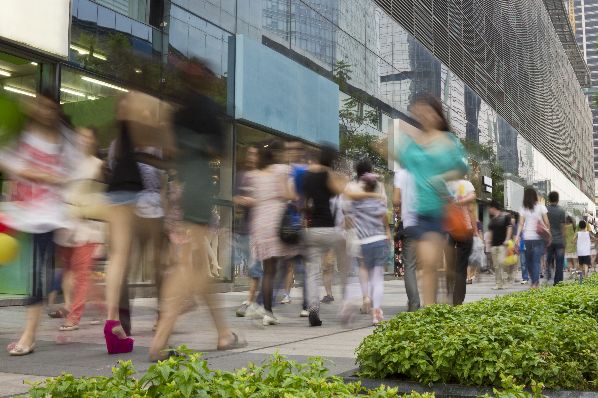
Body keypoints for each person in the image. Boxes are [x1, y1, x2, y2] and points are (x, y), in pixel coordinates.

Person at [149, 74, 244, 360]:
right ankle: (160, 340)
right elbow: (220, 152)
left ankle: (224, 334)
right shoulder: (207, 110)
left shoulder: (179, 114)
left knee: (200, 271)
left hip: (183, 188)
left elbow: (169, 152)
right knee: (189, 268)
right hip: (198, 191)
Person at [0, 93, 83, 355]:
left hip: (47, 217)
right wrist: (39, 174)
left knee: (36, 275)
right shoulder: (22, 135)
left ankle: (29, 335)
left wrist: (45, 176)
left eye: (51, 107)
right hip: (19, 215)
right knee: (30, 273)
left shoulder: (63, 142)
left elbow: (72, 173)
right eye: (41, 105)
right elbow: (7, 160)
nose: (46, 111)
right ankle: (30, 333)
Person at [396, 94, 468, 306]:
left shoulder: (448, 141)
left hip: (440, 210)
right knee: (428, 265)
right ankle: (430, 309)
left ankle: (437, 302)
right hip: (419, 212)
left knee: (432, 263)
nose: (424, 116)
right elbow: (402, 161)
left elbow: (462, 168)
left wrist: (442, 177)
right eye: (419, 112)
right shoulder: (415, 145)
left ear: (438, 115)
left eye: (428, 111)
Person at [54, 127, 106, 331]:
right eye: (80, 137)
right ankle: (102, 307)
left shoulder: (98, 165)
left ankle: (74, 316)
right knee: (69, 271)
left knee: (81, 273)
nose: (83, 140)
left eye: (87, 137)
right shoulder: (69, 165)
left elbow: (100, 197)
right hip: (66, 226)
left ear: (94, 141)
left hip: (88, 227)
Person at [247, 140, 298, 326]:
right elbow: (288, 195)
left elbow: (254, 199)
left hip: (260, 222)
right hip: (277, 221)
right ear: (274, 156)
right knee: (283, 265)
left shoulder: (255, 174)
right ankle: (269, 307)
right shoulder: (282, 170)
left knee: (268, 270)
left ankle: (267, 310)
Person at [302, 145, 348, 326]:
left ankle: (313, 307)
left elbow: (304, 202)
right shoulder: (329, 175)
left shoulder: (307, 176)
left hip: (312, 229)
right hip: (330, 229)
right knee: (344, 263)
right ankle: (346, 303)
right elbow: (340, 191)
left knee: (312, 271)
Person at [352, 173, 389, 325]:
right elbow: (384, 218)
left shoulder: (357, 203)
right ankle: (376, 311)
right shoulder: (379, 201)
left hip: (364, 242)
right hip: (379, 240)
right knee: (377, 277)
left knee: (365, 272)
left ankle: (366, 296)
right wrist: (387, 231)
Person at [234, 145, 264, 318]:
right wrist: (241, 200)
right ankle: (258, 298)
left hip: (259, 228)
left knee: (254, 265)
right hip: (244, 227)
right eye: (250, 153)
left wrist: (252, 201)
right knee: (251, 264)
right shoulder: (241, 176)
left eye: (255, 154)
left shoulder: (262, 176)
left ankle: (250, 300)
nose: (251, 157)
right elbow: (235, 196)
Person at [446, 178, 477, 305]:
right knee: (461, 267)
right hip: (464, 229)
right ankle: (457, 300)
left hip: (447, 229)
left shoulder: (445, 184)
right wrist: (475, 229)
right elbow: (471, 208)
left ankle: (449, 292)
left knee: (450, 265)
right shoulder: (466, 184)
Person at [393, 167, 420, 311]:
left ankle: (414, 304)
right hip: (429, 224)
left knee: (410, 265)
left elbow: (396, 200)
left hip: (411, 225)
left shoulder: (401, 173)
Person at [515, 187, 550, 288]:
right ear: (535, 196)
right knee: (536, 261)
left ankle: (534, 282)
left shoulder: (523, 208)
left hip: (527, 238)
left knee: (529, 261)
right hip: (539, 238)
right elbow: (547, 223)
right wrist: (548, 233)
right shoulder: (541, 207)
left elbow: (521, 224)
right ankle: (535, 282)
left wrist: (517, 236)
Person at [487, 201, 513, 290]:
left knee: (502, 262)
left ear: (494, 208)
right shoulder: (492, 220)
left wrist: (507, 239)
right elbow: (490, 232)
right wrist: (489, 244)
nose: (489, 210)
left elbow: (509, 228)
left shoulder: (505, 216)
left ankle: (505, 281)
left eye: (490, 208)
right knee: (496, 265)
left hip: (503, 244)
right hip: (494, 245)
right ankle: (498, 284)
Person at [545, 191, 566, 285]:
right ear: (558, 199)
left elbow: (544, 225)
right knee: (560, 262)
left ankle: (548, 270)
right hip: (559, 241)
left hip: (548, 240)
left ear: (549, 199)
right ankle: (558, 282)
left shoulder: (545, 210)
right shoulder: (561, 211)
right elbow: (563, 227)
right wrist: (563, 239)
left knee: (548, 258)